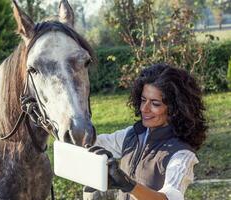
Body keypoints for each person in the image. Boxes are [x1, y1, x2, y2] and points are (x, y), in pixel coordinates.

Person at [84, 63, 207, 200]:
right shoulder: (132, 134)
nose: (144, 108)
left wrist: (128, 185)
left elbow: (170, 197)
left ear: (175, 109)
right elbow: (90, 142)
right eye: (143, 100)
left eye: (155, 103)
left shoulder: (182, 154)